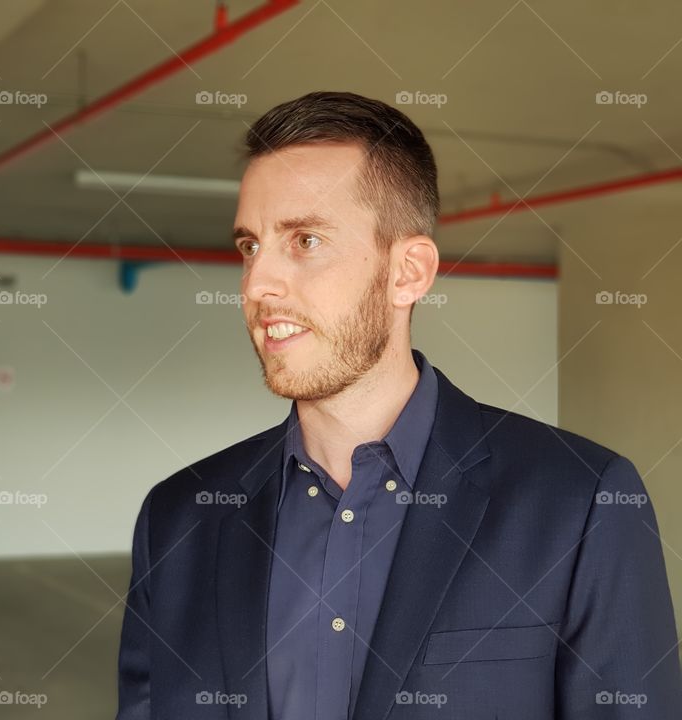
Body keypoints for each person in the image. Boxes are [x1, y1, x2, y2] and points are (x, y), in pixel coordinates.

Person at [115, 91, 681, 719]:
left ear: (408, 273)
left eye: (304, 240)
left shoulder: (581, 503)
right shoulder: (177, 518)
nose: (256, 285)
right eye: (250, 246)